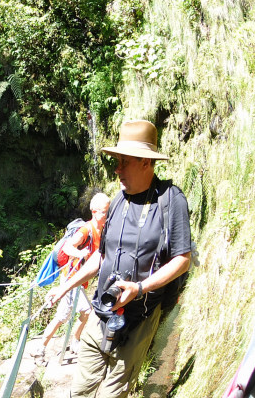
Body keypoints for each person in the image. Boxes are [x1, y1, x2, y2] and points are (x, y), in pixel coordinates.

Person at [46, 120, 192, 398]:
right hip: (101, 313)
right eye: (117, 161)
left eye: (124, 162)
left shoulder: (170, 200)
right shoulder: (116, 202)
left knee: (113, 395)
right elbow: (100, 258)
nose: (117, 169)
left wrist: (139, 288)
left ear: (146, 163)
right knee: (79, 391)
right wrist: (64, 287)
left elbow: (182, 259)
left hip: (139, 318)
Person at [33, 192, 110, 362]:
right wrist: (80, 253)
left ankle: (43, 348)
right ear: (94, 212)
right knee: (85, 312)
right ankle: (71, 343)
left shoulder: (102, 230)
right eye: (105, 211)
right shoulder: (86, 230)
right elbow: (68, 247)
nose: (107, 214)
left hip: (78, 281)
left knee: (63, 316)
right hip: (70, 279)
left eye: (108, 211)